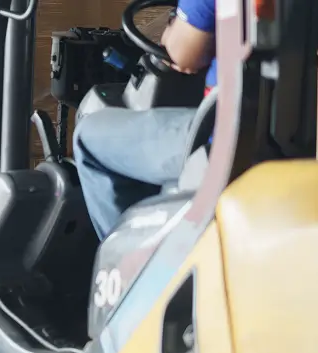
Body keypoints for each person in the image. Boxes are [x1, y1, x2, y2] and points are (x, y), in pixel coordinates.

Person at [72, 0, 217, 239]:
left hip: (225, 139)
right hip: (286, 133)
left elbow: (181, 53)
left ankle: (129, 267)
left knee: (88, 137)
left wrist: (173, 27)